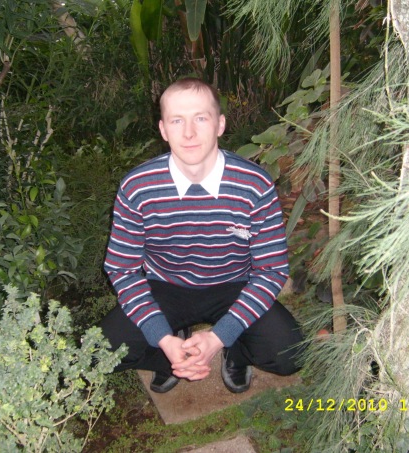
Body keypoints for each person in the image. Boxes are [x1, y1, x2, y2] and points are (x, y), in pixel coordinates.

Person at [99, 77, 304, 394]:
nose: (189, 133)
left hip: (233, 283)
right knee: (100, 351)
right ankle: (170, 354)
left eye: (200, 118)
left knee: (290, 353)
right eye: (177, 121)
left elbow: (271, 270)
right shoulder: (137, 187)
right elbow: (122, 269)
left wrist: (220, 336)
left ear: (220, 124)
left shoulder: (254, 185)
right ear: (163, 130)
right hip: (165, 284)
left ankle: (235, 351)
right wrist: (161, 336)